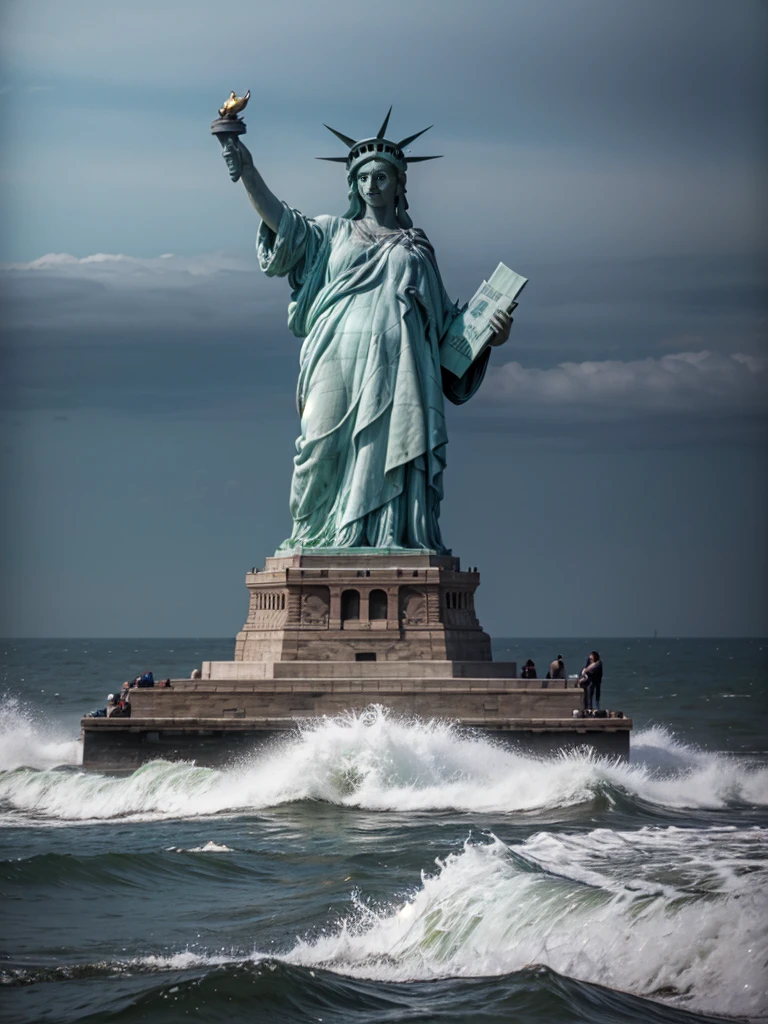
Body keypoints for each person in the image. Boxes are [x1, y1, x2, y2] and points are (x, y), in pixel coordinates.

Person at [220, 111, 513, 551]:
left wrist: (490, 334)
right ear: (353, 185)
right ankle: (314, 537)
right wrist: (247, 171)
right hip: (335, 358)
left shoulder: (416, 247)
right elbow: (281, 220)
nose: (372, 185)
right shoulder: (333, 233)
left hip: (403, 372)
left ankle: (390, 535)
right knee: (318, 448)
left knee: (392, 453)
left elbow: (445, 330)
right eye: (363, 178)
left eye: (381, 177)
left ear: (399, 185)